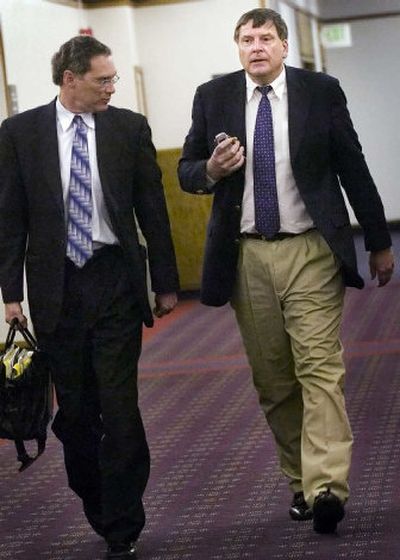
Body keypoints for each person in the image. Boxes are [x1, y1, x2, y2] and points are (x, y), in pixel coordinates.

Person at [178, 8, 394, 534]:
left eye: (265, 38)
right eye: (247, 39)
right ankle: (300, 481)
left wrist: (380, 241)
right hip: (246, 254)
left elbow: (353, 165)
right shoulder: (214, 97)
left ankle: (326, 488)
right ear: (237, 47)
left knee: (319, 367)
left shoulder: (320, 91)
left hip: (311, 249)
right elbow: (186, 172)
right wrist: (210, 169)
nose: (256, 47)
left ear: (282, 44)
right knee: (275, 379)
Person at [0, 35, 179, 559]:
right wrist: (11, 293)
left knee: (120, 410)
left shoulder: (128, 128)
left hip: (114, 281)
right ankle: (99, 504)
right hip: (56, 289)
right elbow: (10, 220)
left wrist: (165, 281)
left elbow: (153, 208)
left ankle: (123, 525)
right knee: (75, 417)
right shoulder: (20, 134)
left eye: (113, 78)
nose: (111, 87)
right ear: (69, 79)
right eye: (103, 79)